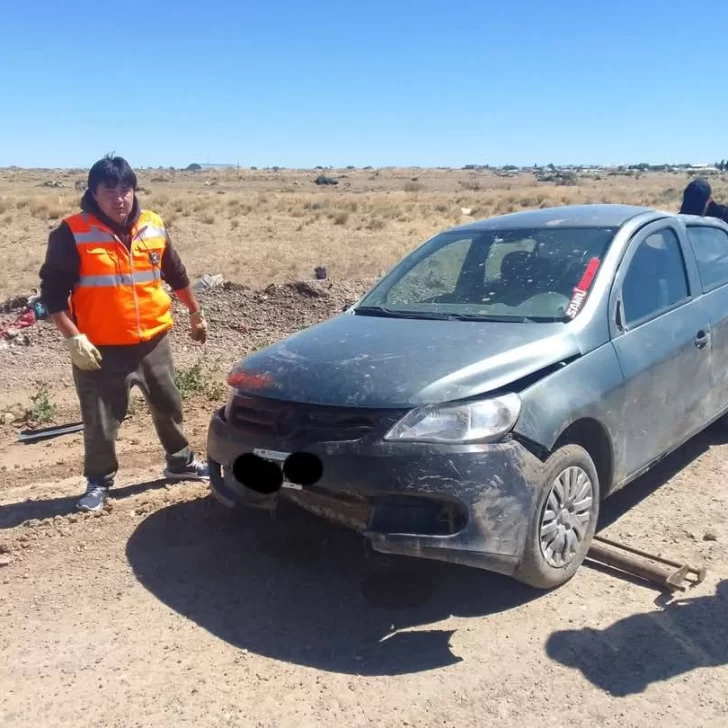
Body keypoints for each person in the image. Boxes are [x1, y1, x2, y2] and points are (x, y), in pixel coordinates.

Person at [39, 155, 210, 513]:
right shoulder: (72, 232)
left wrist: (195, 313)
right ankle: (99, 481)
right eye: (110, 190)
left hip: (153, 339)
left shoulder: (153, 225)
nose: (120, 198)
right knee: (101, 418)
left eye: (126, 189)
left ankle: (180, 462)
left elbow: (176, 274)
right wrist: (73, 337)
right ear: (94, 193)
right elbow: (53, 294)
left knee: (169, 404)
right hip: (100, 346)